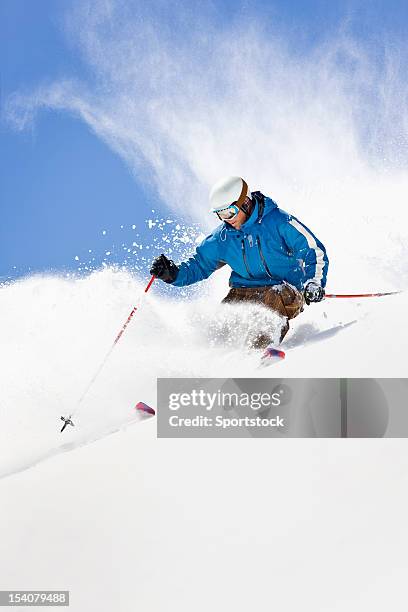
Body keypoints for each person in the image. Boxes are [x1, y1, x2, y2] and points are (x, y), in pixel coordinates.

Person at [150, 176, 328, 348]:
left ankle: (256, 358)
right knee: (221, 329)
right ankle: (213, 366)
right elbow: (199, 265)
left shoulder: (278, 222)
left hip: (284, 289)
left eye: (229, 212)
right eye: (220, 214)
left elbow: (313, 250)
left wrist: (313, 283)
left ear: (245, 203)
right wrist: (173, 274)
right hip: (242, 291)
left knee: (267, 312)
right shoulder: (223, 237)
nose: (226, 219)